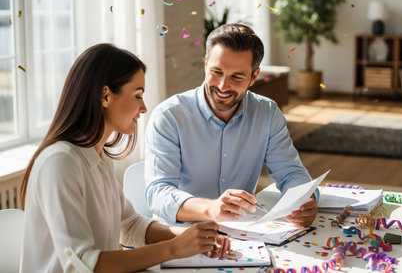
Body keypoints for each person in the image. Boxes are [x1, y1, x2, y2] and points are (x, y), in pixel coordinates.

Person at [19, 43, 229, 273]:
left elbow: (128, 225)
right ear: (105, 95)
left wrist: (190, 237)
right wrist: (174, 248)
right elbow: (80, 262)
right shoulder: (60, 162)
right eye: (137, 95)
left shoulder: (98, 158)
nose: (144, 107)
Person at [145, 23, 319, 227]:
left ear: (254, 76)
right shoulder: (169, 116)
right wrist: (210, 209)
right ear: (205, 64)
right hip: (180, 237)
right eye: (216, 72)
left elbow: (290, 172)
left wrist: (305, 200)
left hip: (242, 233)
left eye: (236, 77)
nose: (222, 86)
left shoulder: (267, 113)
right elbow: (158, 193)